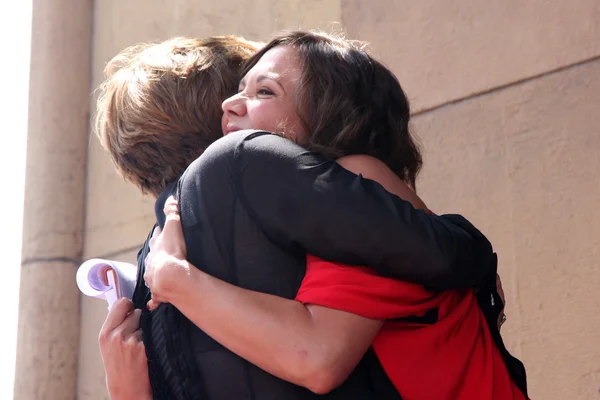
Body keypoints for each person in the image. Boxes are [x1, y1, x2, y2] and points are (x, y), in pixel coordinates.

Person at [95, 34, 501, 400]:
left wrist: (177, 280)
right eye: (239, 88)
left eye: (264, 90)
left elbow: (317, 360)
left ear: (329, 113)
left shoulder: (358, 180)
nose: (231, 106)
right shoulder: (273, 216)